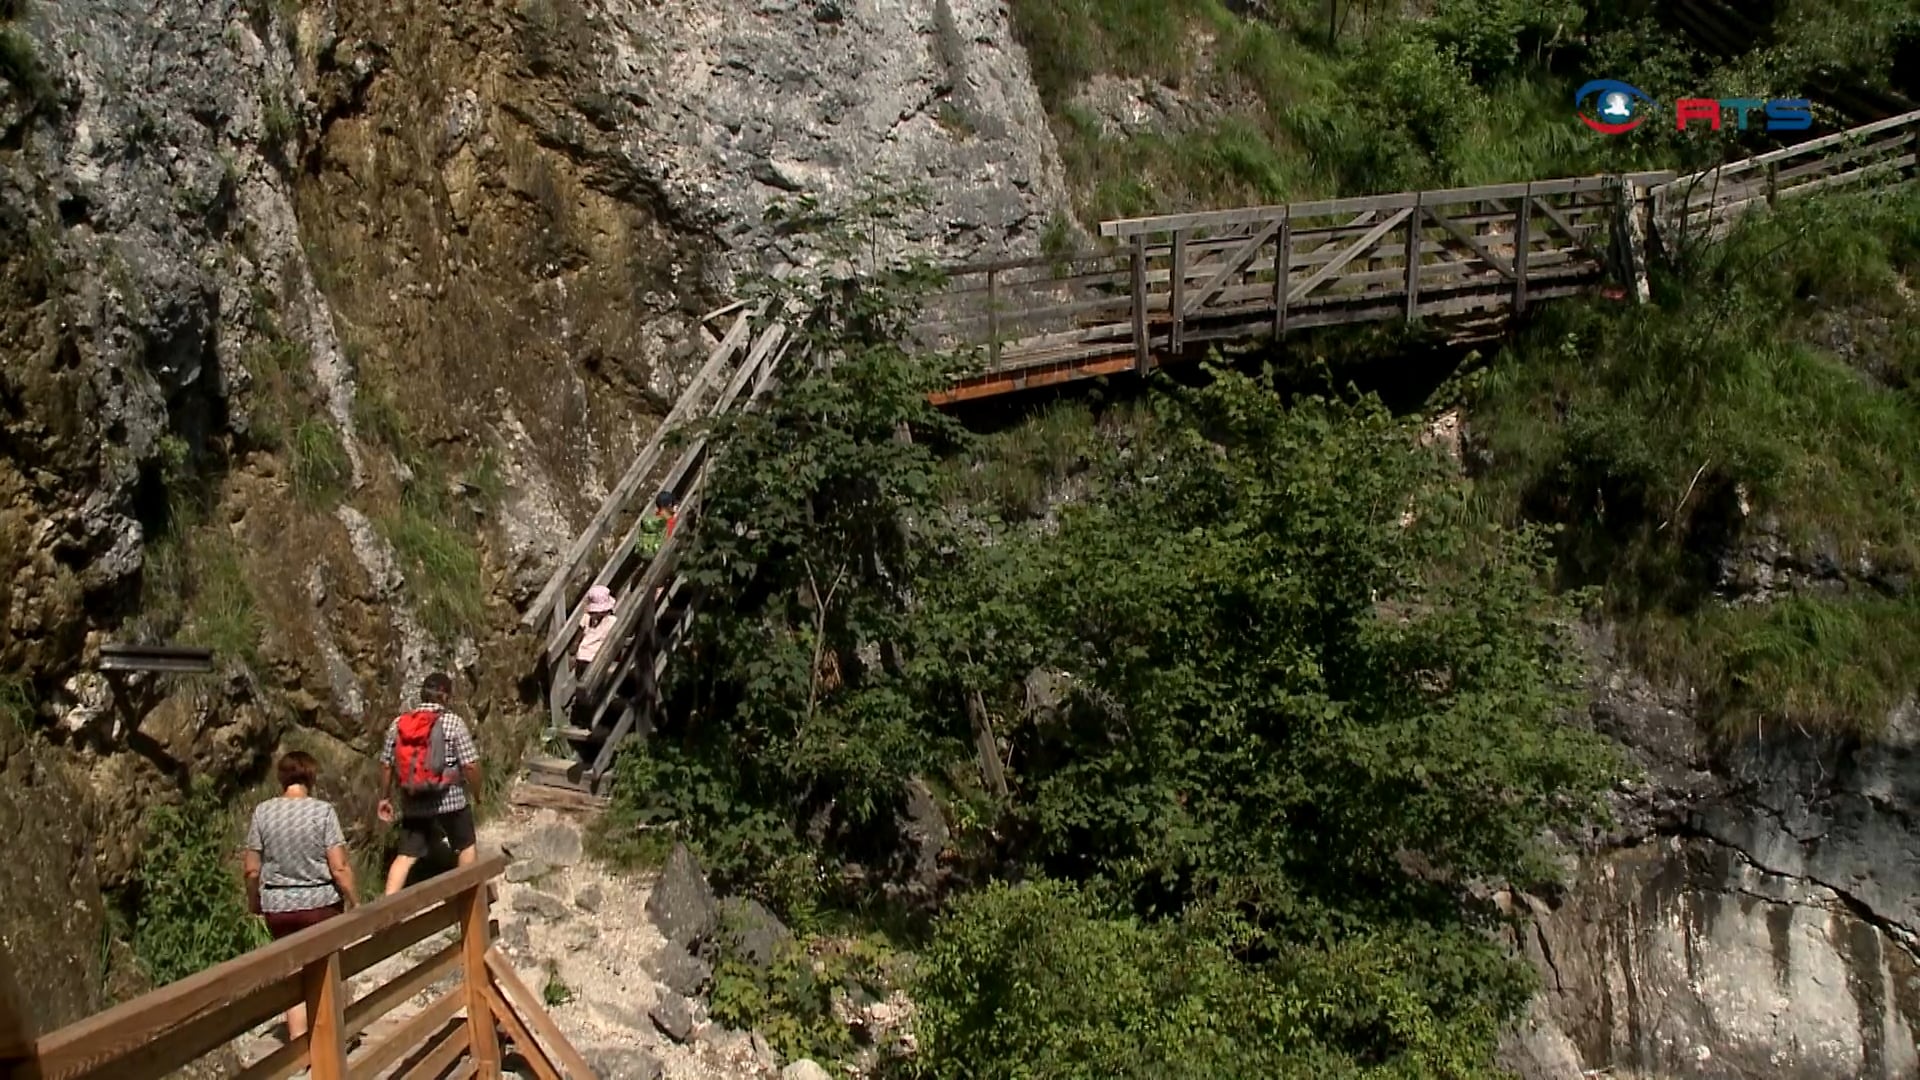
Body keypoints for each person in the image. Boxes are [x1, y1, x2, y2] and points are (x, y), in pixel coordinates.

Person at [243, 750, 357, 1041]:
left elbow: (252, 870)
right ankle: (334, 1038)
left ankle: (299, 1046)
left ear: (282, 778)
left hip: (279, 907)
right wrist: (355, 901)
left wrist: (253, 901)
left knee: (292, 972)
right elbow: (339, 866)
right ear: (311, 777)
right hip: (320, 905)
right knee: (328, 966)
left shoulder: (263, 812)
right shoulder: (322, 811)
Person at [377, 672, 483, 895]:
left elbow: (386, 764)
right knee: (465, 846)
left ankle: (385, 913)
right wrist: (477, 793)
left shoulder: (399, 724)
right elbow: (471, 766)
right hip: (451, 799)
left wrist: (385, 797)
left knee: (405, 856)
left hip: (414, 800)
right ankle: (464, 902)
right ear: (445, 696)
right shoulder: (453, 722)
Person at [575, 584, 617, 678]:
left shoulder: (586, 617)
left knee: (580, 681)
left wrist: (573, 653)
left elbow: (577, 640)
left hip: (581, 657)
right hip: (596, 659)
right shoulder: (612, 621)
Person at [634, 489, 679, 562]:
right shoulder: (668, 520)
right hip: (662, 554)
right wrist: (675, 515)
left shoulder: (656, 517)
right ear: (669, 505)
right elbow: (669, 533)